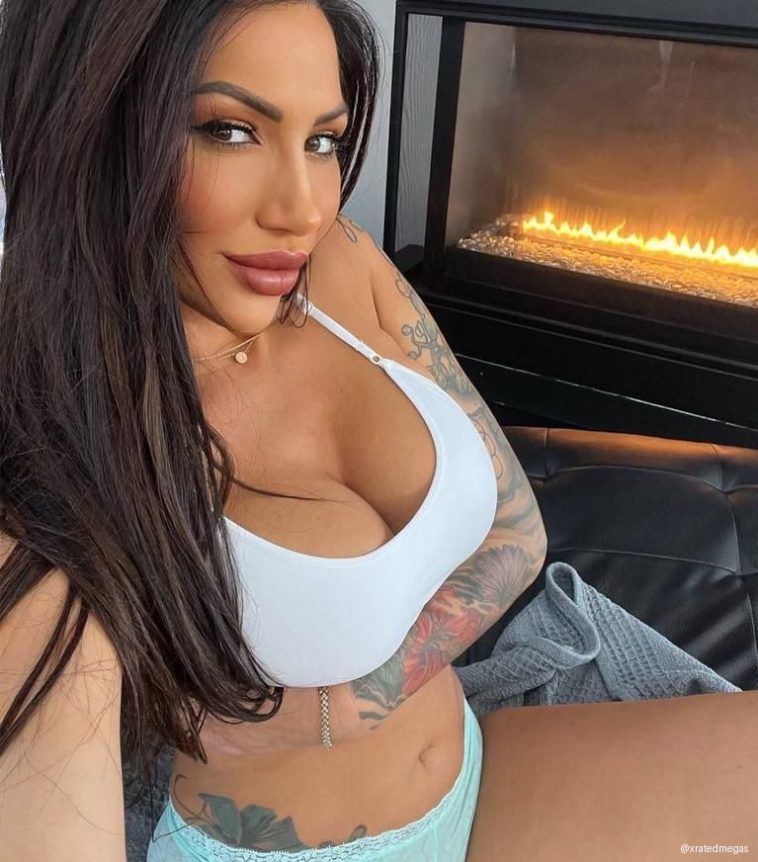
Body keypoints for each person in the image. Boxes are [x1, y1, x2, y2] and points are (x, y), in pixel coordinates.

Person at [0, 1, 547, 860]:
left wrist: (335, 711)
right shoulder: (52, 424)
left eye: (323, 141)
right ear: (93, 126)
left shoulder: (344, 260)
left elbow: (519, 533)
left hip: (483, 779)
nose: (303, 210)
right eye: (230, 130)